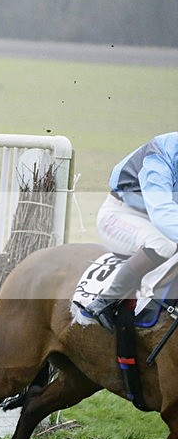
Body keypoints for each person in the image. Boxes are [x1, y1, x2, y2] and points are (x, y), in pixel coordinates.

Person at [83, 132, 178, 330]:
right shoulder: (160, 154)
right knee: (164, 245)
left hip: (155, 219)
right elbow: (161, 211)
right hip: (120, 215)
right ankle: (105, 302)